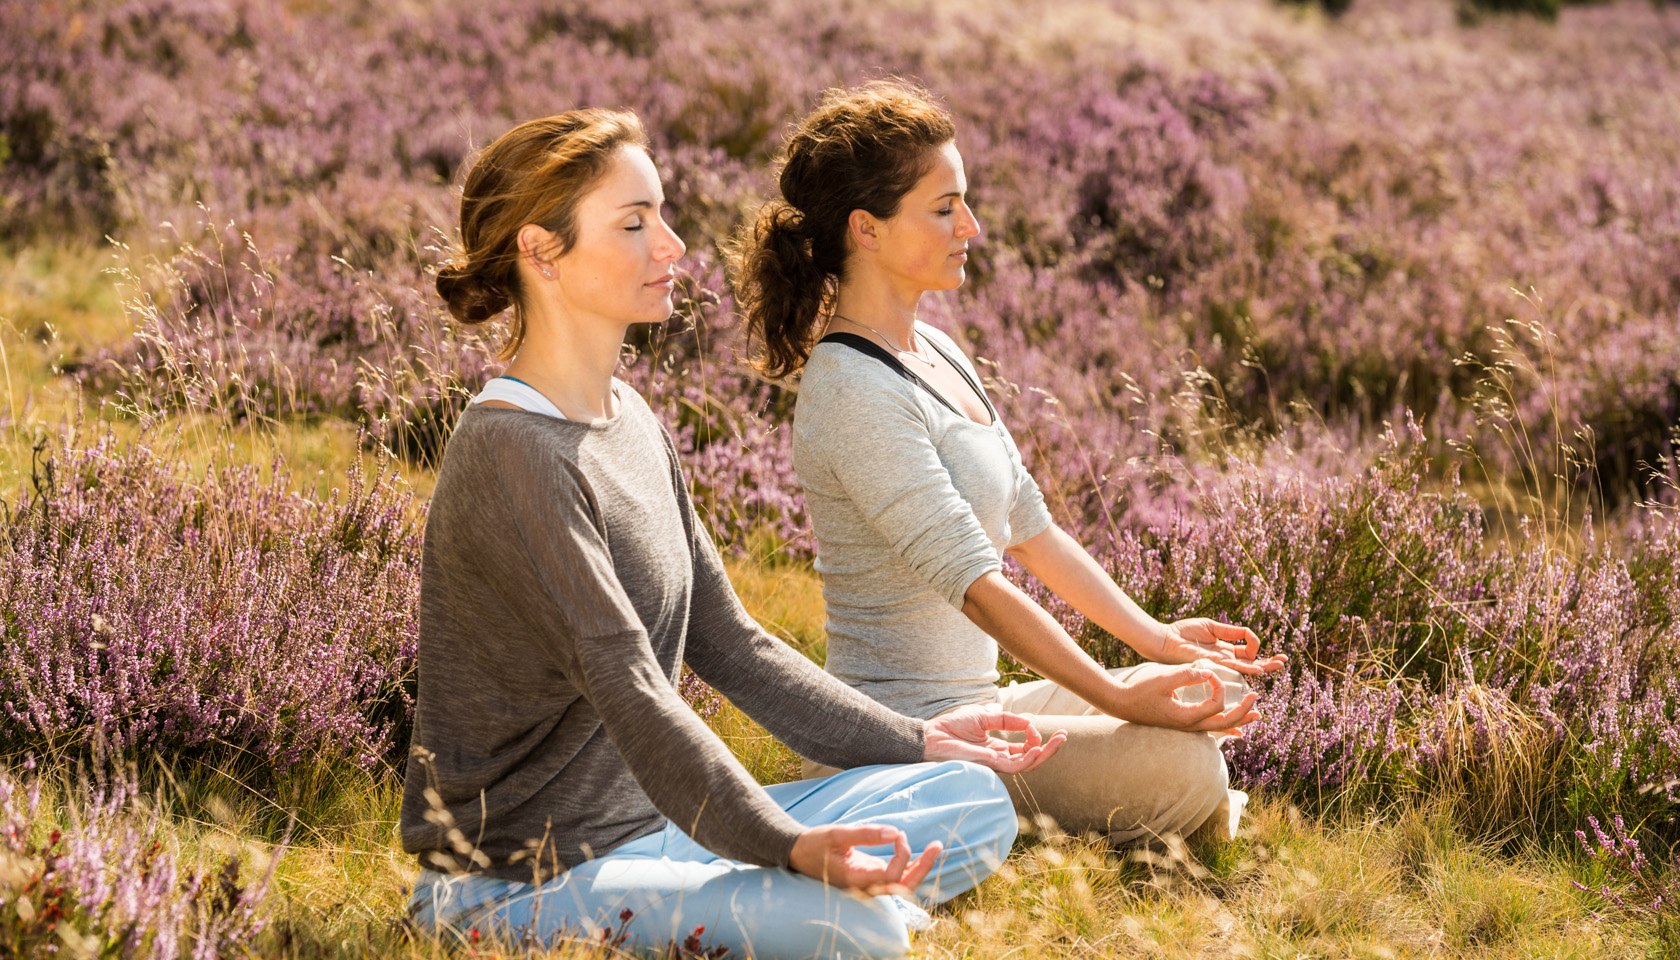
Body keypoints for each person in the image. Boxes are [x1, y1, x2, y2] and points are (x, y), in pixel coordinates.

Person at [400, 108, 1066, 960]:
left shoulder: (630, 418)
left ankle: (794, 907)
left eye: (663, 215)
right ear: (542, 252)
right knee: (853, 929)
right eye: (636, 224)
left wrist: (921, 740)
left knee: (966, 794)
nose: (673, 245)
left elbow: (734, 643)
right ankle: (837, 916)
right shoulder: (513, 450)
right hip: (521, 878)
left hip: (661, 832)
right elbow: (632, 684)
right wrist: (784, 846)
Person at [729, 81, 1287, 845]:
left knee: (1203, 687)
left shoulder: (938, 352)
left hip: (983, 708)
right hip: (904, 741)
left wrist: (1158, 641)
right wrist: (1122, 704)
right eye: (943, 206)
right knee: (1183, 766)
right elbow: (977, 585)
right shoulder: (852, 389)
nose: (972, 225)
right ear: (868, 229)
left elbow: (1030, 528)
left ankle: (1136, 798)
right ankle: (1096, 810)